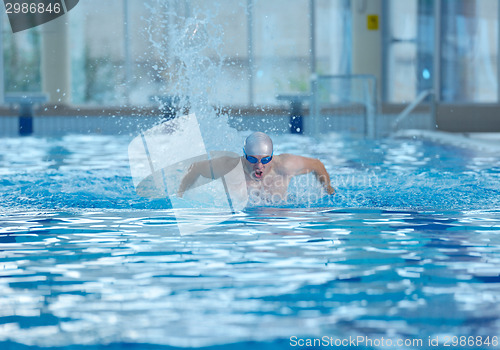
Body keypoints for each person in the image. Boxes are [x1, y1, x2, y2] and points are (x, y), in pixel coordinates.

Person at [177, 132, 335, 204]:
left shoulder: (285, 165)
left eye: (265, 160)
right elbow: (196, 168)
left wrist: (328, 190)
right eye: (252, 159)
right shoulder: (229, 167)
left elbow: (317, 164)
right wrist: (180, 195)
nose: (259, 166)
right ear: (244, 155)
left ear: (272, 156)